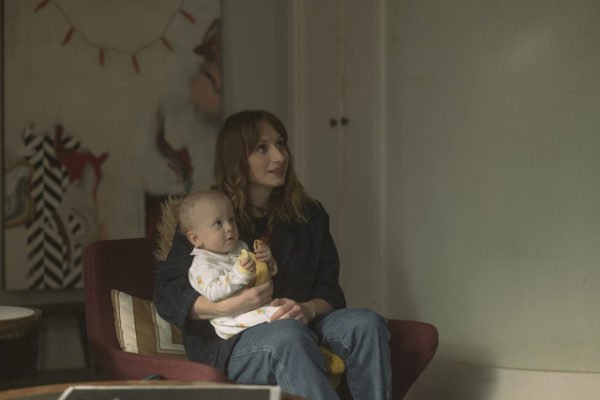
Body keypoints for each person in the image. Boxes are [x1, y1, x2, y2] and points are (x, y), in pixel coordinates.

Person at [154, 110, 392, 400]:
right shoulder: (208, 214)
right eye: (262, 148)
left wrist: (308, 309)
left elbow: (330, 290)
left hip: (302, 324)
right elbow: (167, 294)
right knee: (288, 336)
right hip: (233, 339)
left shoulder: (311, 215)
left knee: (366, 324)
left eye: (281, 144)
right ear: (236, 159)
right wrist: (226, 307)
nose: (279, 157)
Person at [178, 190, 279, 339]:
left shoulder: (239, 247)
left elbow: (260, 276)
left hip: (257, 306)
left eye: (231, 219)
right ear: (195, 238)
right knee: (283, 317)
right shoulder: (202, 265)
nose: (229, 227)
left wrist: (267, 261)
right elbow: (213, 293)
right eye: (218, 223)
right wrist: (240, 274)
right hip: (232, 320)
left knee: (289, 312)